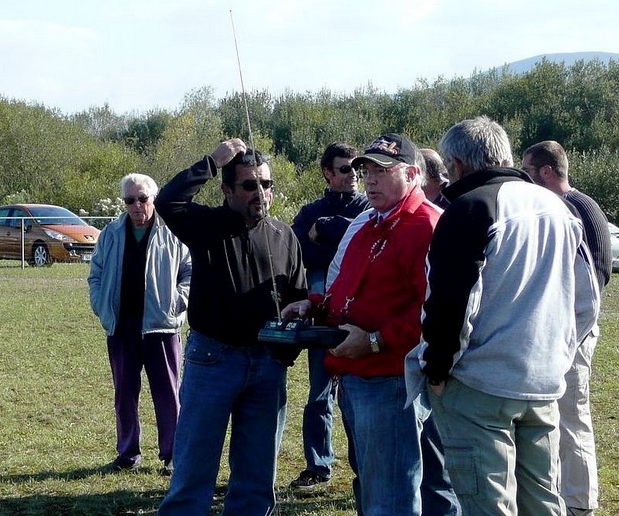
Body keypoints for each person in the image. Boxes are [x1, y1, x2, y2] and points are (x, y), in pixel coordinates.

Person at [407, 116, 600, 515]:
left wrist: (437, 369)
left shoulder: (469, 208)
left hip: (482, 386)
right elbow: (587, 299)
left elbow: (451, 304)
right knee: (544, 502)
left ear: (457, 165)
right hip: (543, 383)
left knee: (488, 506)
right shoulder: (559, 207)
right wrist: (560, 357)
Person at [283, 134, 450, 516]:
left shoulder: (427, 225)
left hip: (391, 379)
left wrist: (375, 341)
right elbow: (343, 288)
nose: (370, 179)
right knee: (374, 485)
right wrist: (312, 306)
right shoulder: (368, 221)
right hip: (356, 375)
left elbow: (435, 312)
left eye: (382, 170)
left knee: (389, 495)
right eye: (366, 170)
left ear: (411, 174)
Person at [154, 139, 307, 516]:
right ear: (226, 190)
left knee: (257, 476)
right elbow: (167, 202)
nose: (261, 193)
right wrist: (212, 160)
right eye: (250, 185)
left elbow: (299, 296)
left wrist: (287, 347)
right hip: (213, 359)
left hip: (267, 365)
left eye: (267, 185)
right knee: (193, 469)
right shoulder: (206, 225)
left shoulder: (284, 235)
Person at [522, 140, 612, 516]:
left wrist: (569, 335)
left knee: (573, 418)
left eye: (527, 172)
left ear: (546, 171)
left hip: (573, 331)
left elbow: (594, 280)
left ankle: (579, 504)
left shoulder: (571, 207)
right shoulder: (579, 204)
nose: (524, 182)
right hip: (566, 330)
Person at [87, 173, 191, 476]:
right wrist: (101, 305)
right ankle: (127, 453)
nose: (136, 206)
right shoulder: (111, 233)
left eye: (142, 198)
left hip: (162, 327)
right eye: (129, 200)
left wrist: (178, 301)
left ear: (154, 199)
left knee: (169, 395)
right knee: (124, 395)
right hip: (121, 329)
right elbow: (96, 273)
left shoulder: (174, 230)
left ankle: (172, 455)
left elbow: (189, 271)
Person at [289, 141, 369, 491]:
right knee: (319, 393)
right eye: (345, 168)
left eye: (356, 168)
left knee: (355, 395)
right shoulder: (309, 212)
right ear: (327, 172)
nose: (353, 174)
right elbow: (297, 249)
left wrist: (330, 228)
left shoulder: (369, 208)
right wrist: (328, 237)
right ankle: (318, 464)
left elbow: (362, 244)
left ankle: (363, 465)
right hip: (321, 316)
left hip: (359, 319)